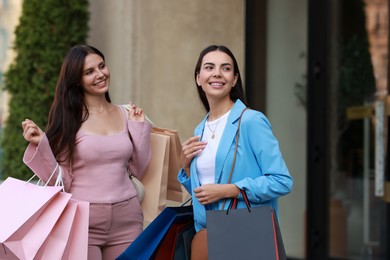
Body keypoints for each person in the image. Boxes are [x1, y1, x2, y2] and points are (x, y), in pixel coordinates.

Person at [21, 45, 151, 260]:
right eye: (89, 72)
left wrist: (139, 127)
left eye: (102, 66)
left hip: (127, 219)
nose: (100, 74)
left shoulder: (126, 114)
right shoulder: (68, 121)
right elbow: (61, 181)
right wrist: (40, 143)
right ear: (76, 80)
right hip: (83, 221)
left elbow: (138, 169)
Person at [178, 45, 293, 259]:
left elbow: (282, 180)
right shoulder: (200, 130)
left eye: (226, 68)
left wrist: (231, 190)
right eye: (209, 67)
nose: (217, 73)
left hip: (243, 234)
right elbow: (205, 191)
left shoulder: (251, 121)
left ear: (234, 79)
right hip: (206, 237)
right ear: (198, 78)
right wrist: (186, 167)